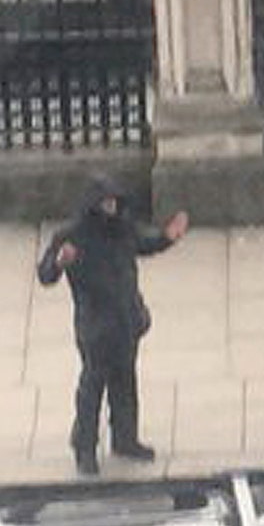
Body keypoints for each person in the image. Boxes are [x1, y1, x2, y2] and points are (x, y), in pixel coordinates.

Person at [36, 175, 188, 476]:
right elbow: (45, 275)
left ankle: (125, 439)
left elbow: (145, 244)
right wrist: (59, 263)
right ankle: (85, 447)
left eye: (114, 203)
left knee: (124, 383)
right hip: (96, 325)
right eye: (106, 203)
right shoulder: (72, 236)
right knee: (92, 388)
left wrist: (169, 237)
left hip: (126, 318)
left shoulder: (122, 228)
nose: (111, 208)